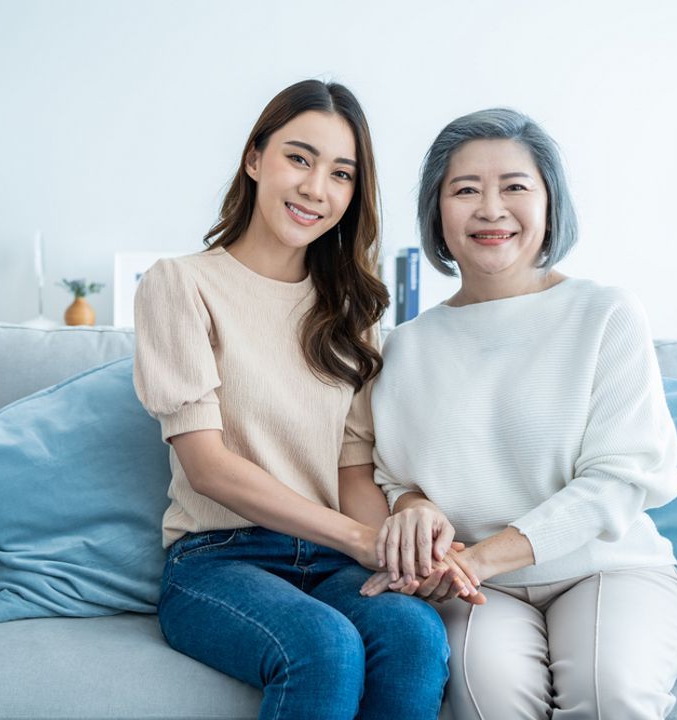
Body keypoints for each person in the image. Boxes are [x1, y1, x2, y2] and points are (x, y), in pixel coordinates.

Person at [133, 79, 452, 720]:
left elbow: (351, 469)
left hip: (328, 562)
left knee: (415, 632)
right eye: (299, 159)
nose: (316, 189)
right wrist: (360, 538)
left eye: (341, 174)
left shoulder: (353, 311)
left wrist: (395, 550)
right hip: (218, 561)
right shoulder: (181, 284)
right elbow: (208, 466)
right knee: (324, 644)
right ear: (255, 159)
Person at [362, 108, 677, 719]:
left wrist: (479, 559)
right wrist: (412, 508)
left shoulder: (605, 313)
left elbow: (620, 478)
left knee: (610, 692)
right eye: (466, 190)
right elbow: (393, 475)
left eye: (515, 187)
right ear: (438, 212)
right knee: (488, 699)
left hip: (606, 572)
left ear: (549, 204)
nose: (491, 209)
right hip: (479, 592)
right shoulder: (403, 345)